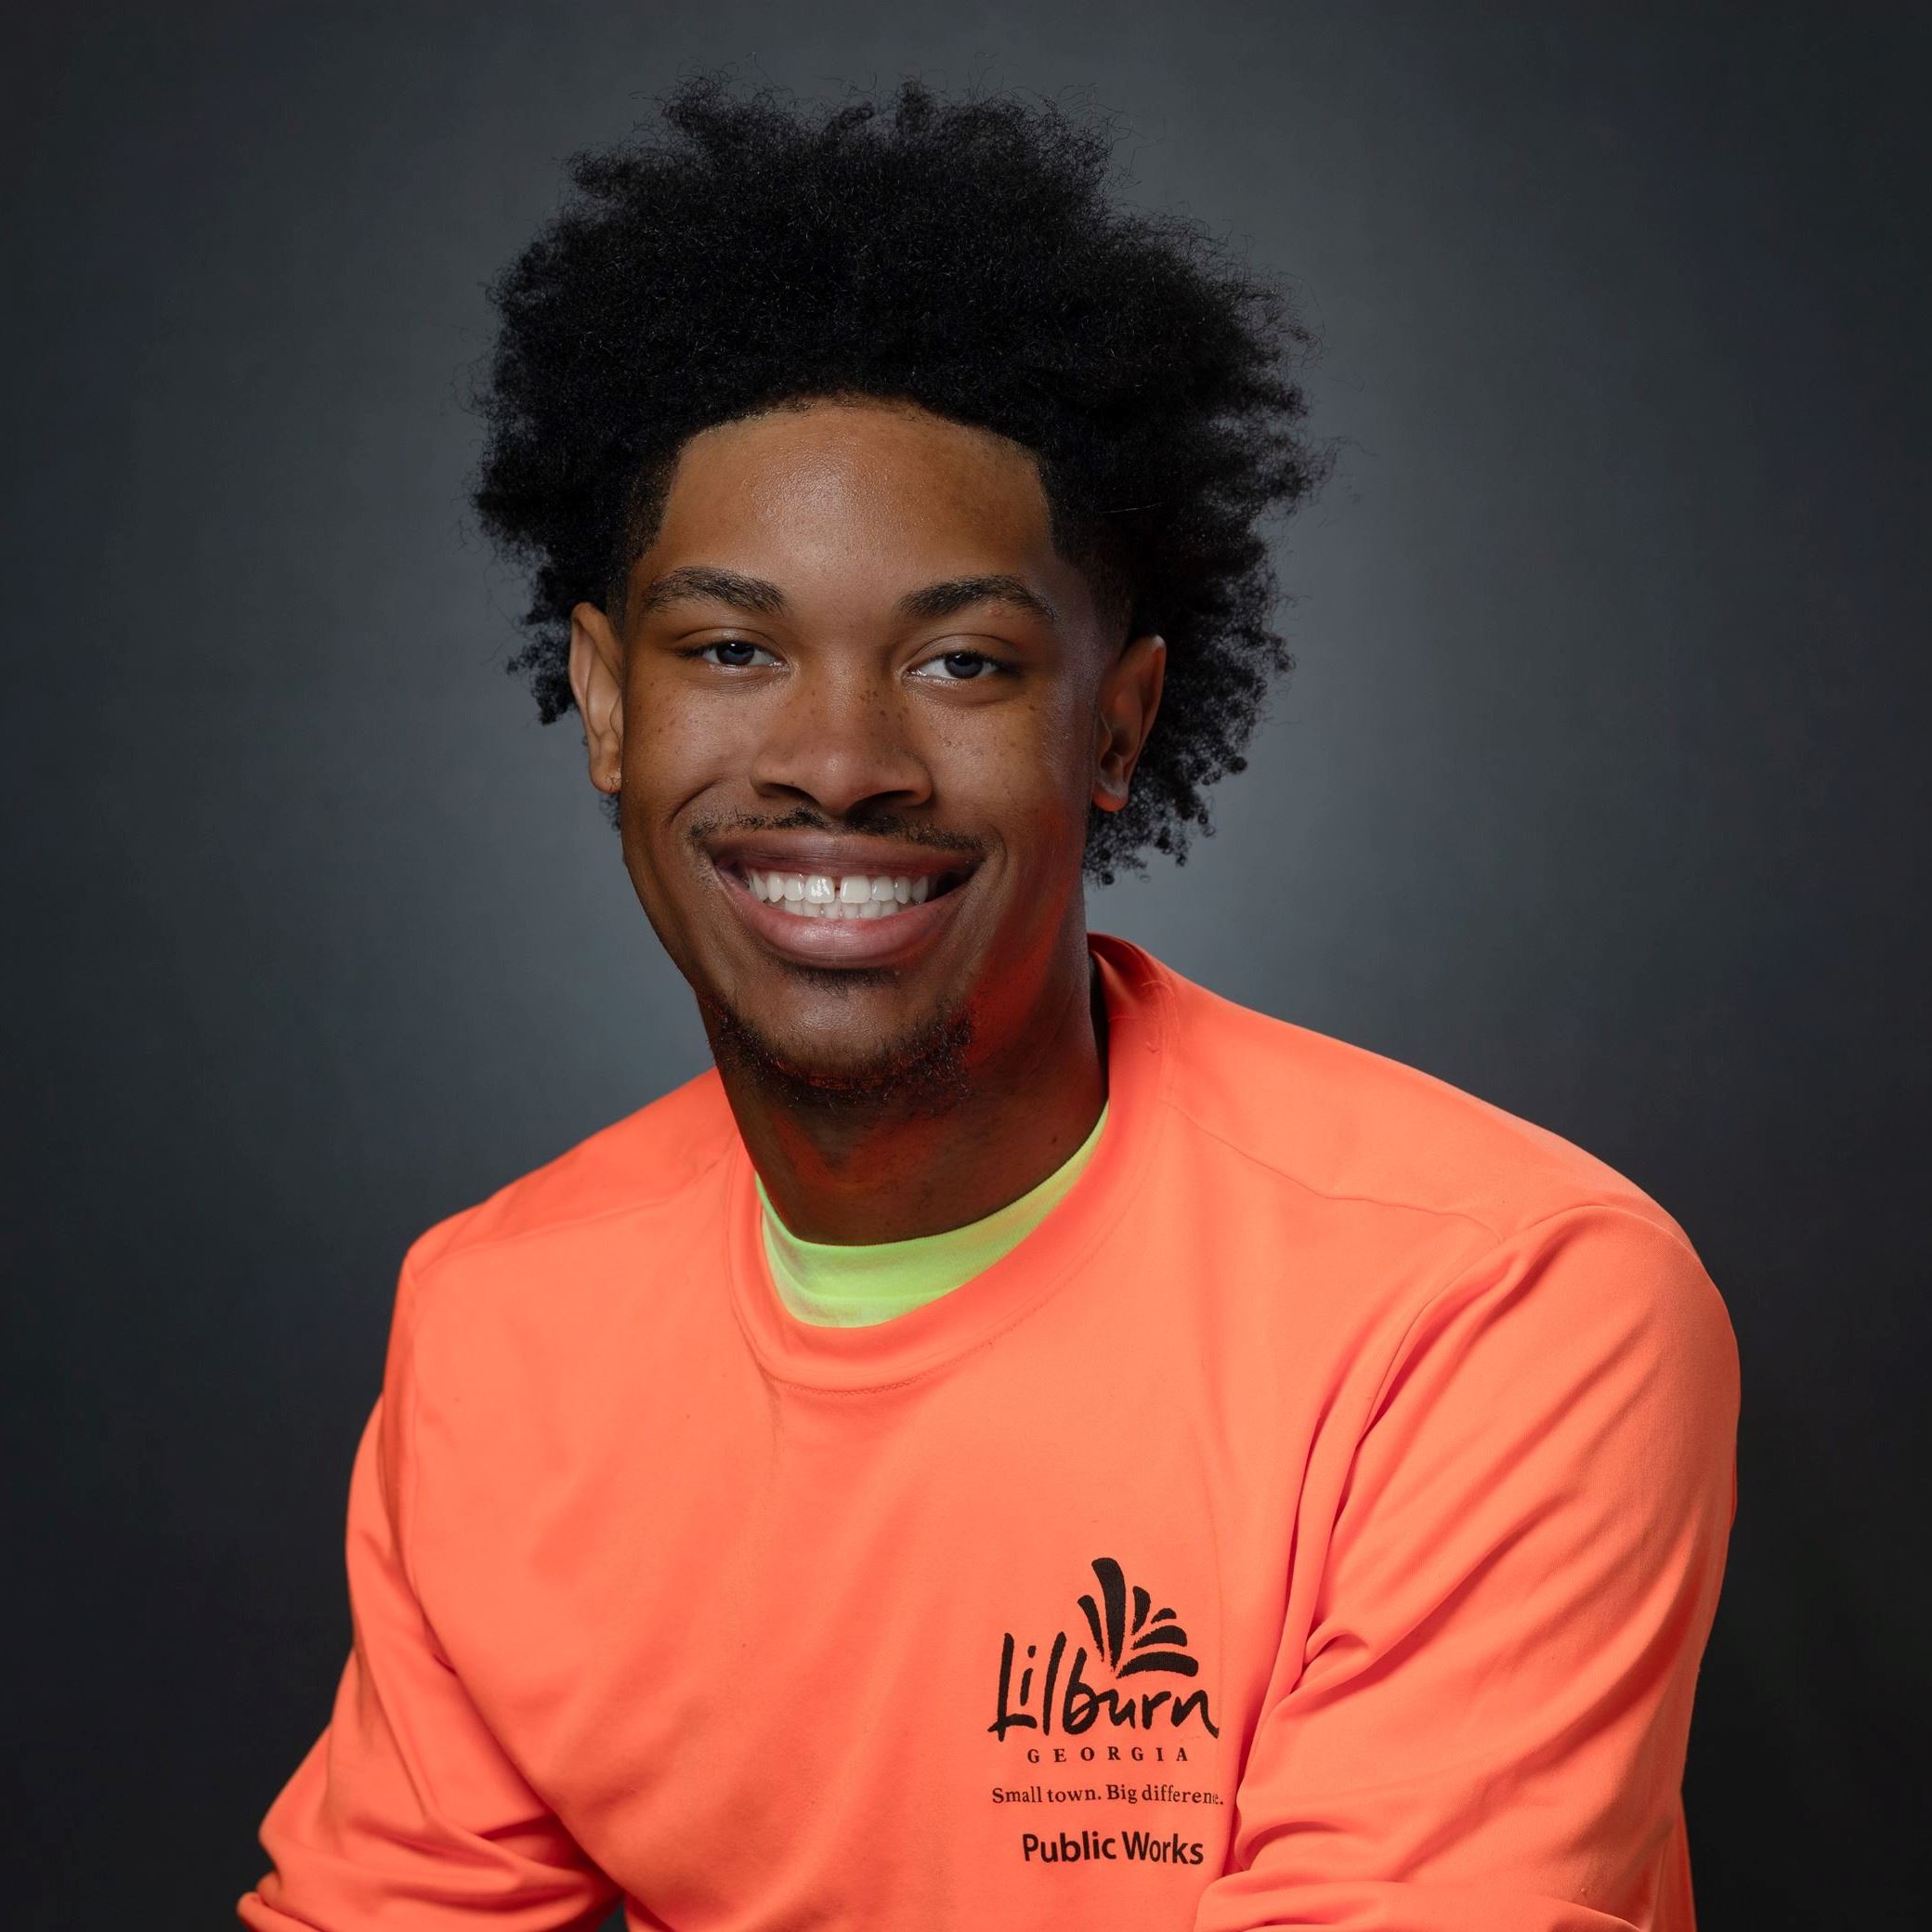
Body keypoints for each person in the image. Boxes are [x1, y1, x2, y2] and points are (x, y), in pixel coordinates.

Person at [238, 74, 1740, 1932]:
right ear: (610, 705)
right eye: (731, 648)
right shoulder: (495, 1333)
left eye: (959, 659)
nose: (841, 760)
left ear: (1110, 726)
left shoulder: (1499, 1306)